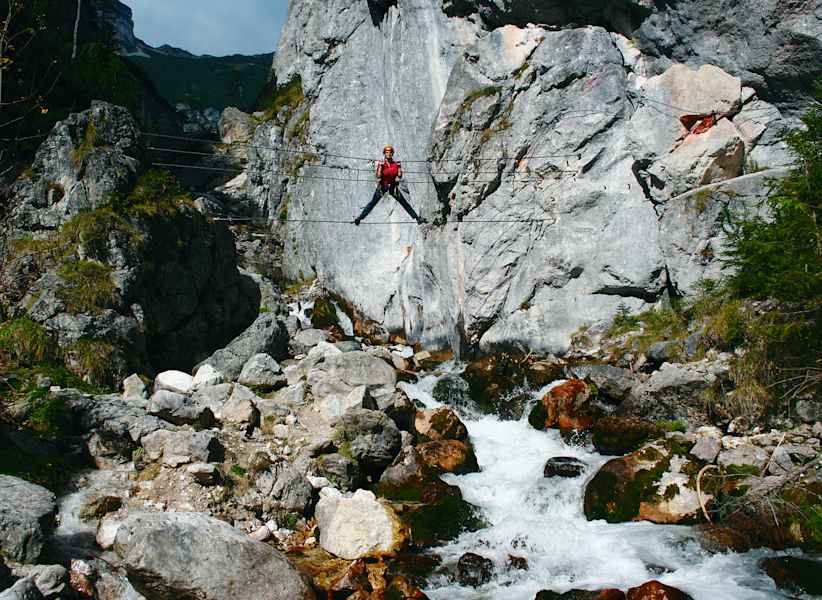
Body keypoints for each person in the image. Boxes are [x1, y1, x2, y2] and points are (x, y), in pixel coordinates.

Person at [353, 145, 426, 225]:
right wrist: (380, 166)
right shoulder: (382, 163)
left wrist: (399, 167)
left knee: (404, 202)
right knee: (372, 203)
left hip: (392, 186)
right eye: (387, 152)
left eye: (390, 152)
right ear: (384, 153)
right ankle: (359, 218)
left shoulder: (395, 164)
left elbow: (400, 176)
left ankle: (417, 218)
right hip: (382, 186)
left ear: (392, 154)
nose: (388, 154)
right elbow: (378, 176)